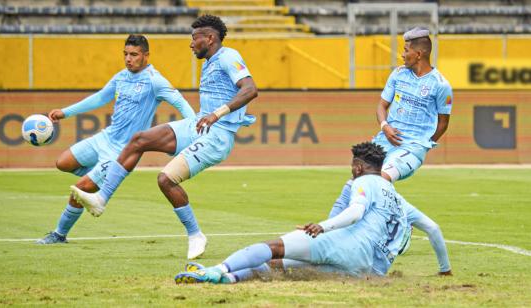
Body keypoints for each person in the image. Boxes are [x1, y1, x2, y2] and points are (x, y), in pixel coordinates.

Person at [71, 14, 258, 260]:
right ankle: (101, 198)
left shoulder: (229, 56)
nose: (191, 44)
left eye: (195, 38)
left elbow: (250, 89)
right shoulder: (210, 60)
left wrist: (216, 114)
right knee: (139, 140)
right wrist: (206, 117)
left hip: (217, 135)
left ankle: (195, 235)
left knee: (165, 180)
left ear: (210, 38)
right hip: (198, 125)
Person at [174, 142, 413, 284]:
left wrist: (323, 227)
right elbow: (426, 229)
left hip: (345, 246)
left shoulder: (363, 182)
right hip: (362, 266)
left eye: (352, 165)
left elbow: (355, 213)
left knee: (273, 248)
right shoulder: (395, 196)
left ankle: (216, 271)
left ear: (358, 166)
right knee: (281, 266)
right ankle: (228, 280)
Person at [36, 35, 195, 244]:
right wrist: (65, 112)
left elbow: (182, 104)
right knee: (62, 162)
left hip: (122, 152)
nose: (128, 59)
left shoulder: (155, 81)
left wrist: (195, 127)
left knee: (81, 188)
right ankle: (102, 176)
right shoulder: (121, 76)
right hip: (105, 138)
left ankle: (59, 234)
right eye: (126, 54)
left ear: (146, 56)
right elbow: (100, 98)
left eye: (134, 55)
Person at [328, 27, 453, 216]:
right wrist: (385, 127)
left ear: (418, 54)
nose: (402, 55)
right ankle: (329, 227)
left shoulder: (440, 85)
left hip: (411, 147)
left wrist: (422, 144)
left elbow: (443, 122)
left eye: (406, 50)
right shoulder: (398, 74)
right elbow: (381, 106)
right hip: (384, 140)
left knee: (379, 179)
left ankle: (401, 217)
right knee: (355, 180)